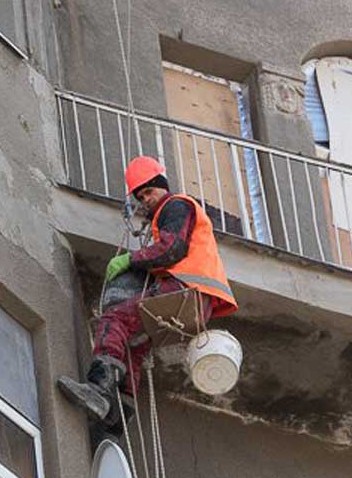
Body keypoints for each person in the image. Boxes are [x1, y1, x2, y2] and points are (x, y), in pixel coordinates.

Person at [57, 156, 238, 431]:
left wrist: (130, 260)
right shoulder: (171, 213)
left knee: (114, 320)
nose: (146, 200)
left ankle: (99, 389)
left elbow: (170, 249)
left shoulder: (176, 206)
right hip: (197, 301)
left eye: (149, 192)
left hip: (186, 289)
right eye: (141, 196)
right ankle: (121, 411)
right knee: (136, 343)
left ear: (162, 187)